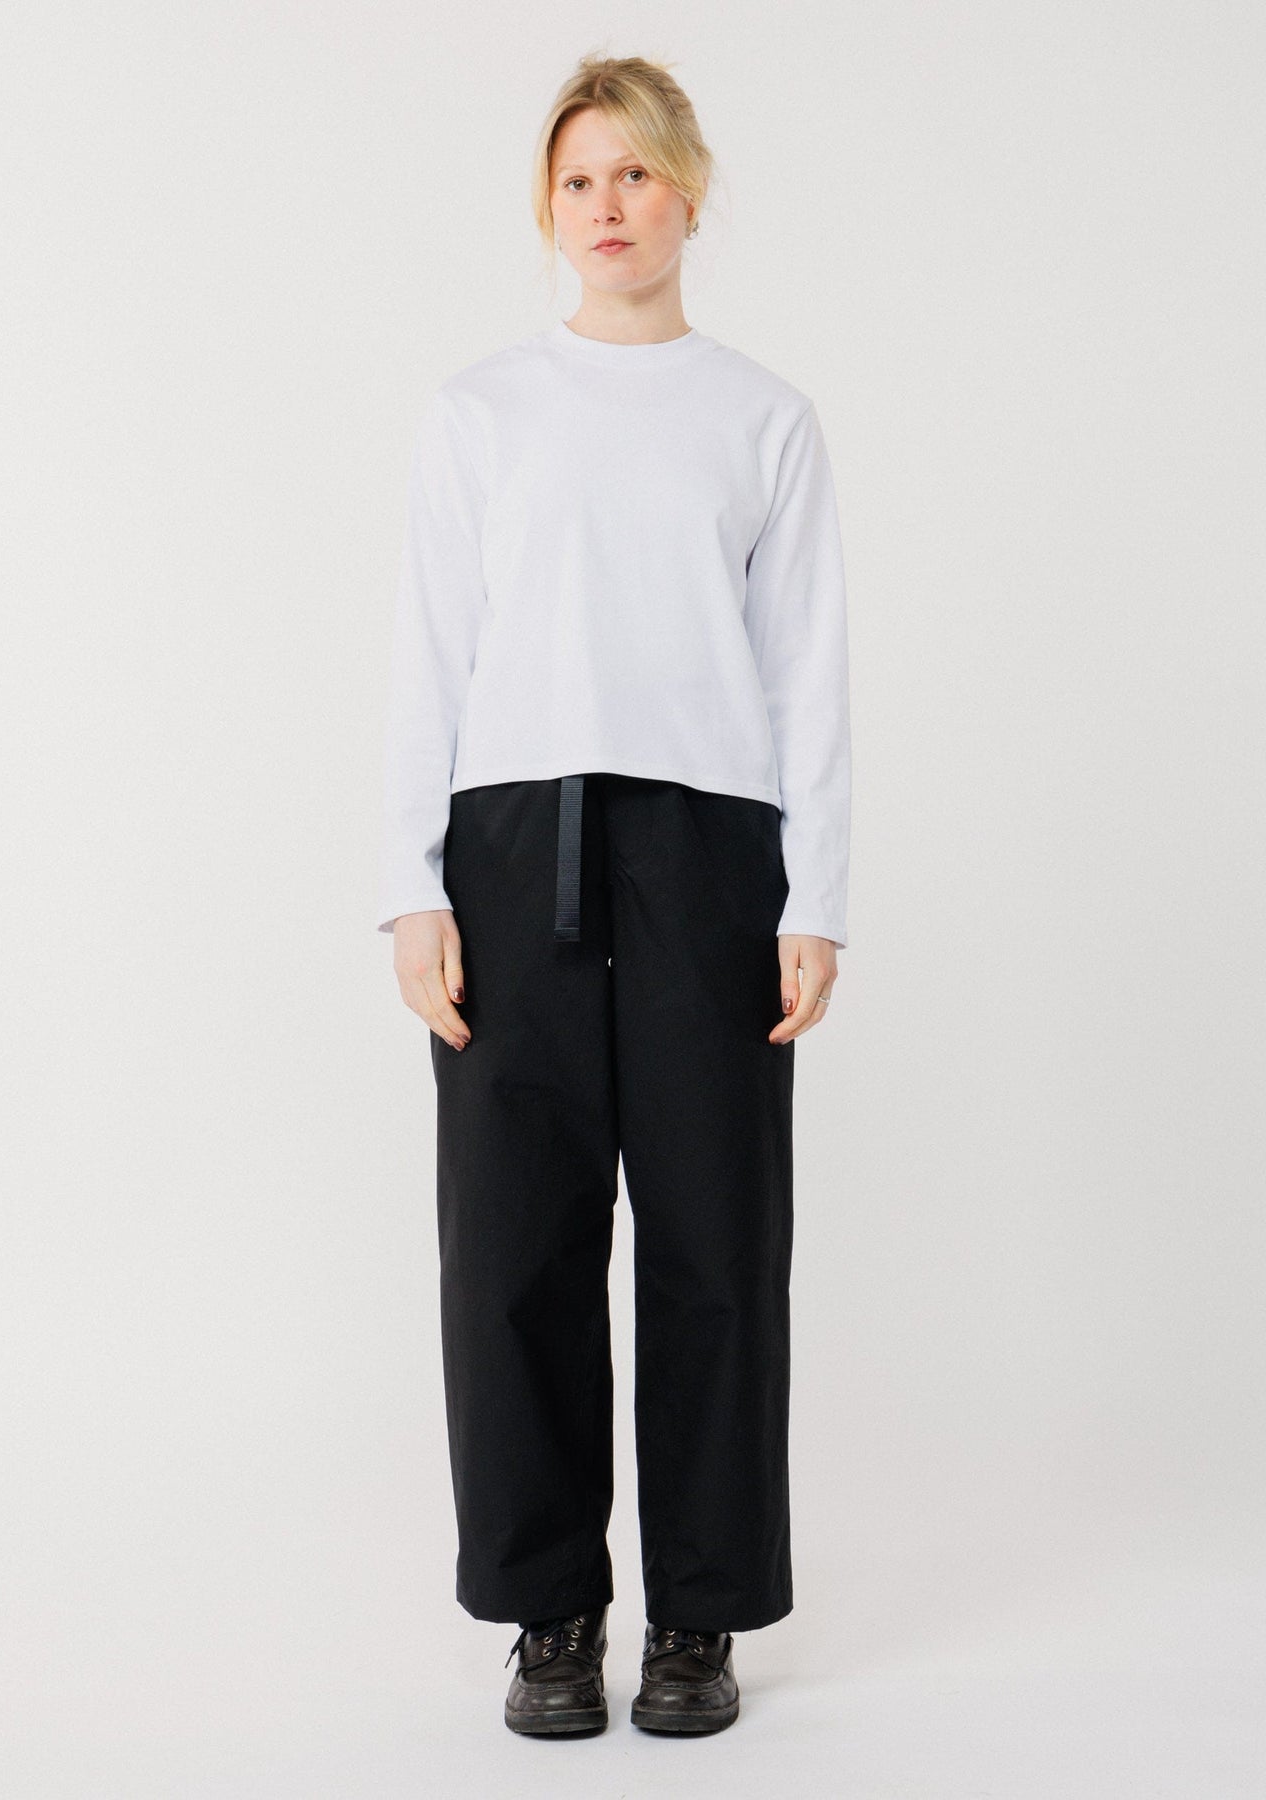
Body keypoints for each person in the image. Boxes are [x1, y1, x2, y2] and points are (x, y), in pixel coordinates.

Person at [375, 53, 851, 1738]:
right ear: (547, 208)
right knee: (514, 1247)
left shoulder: (762, 418)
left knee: (719, 1243)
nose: (609, 207)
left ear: (689, 195)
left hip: (712, 858)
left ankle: (699, 1619)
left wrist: (815, 895)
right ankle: (552, 1614)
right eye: (580, 180)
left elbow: (807, 673)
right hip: (514, 854)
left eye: (637, 174)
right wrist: (411, 889)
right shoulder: (481, 413)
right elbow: (430, 659)